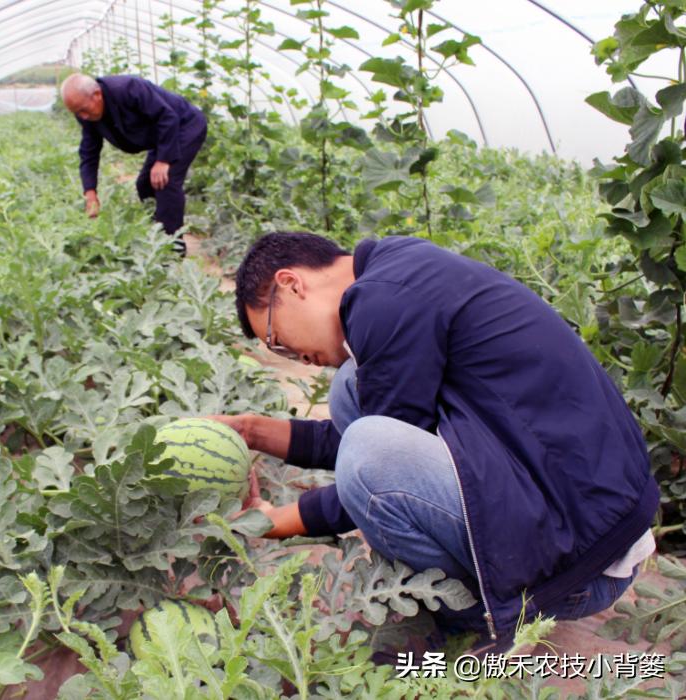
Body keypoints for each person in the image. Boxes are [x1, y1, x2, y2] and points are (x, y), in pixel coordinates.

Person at [213, 231, 659, 653]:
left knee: (368, 452)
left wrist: (275, 520)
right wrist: (251, 431)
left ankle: (470, 618)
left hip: (582, 565)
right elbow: (383, 426)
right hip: (579, 521)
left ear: (291, 284)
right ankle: (481, 592)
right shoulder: (396, 273)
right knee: (352, 388)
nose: (294, 357)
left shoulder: (383, 301)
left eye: (277, 340)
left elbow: (375, 464)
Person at [60, 73, 207, 256]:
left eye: (83, 110)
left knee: (165, 182)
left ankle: (172, 249)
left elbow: (167, 117)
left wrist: (163, 160)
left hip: (184, 126)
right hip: (160, 135)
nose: (83, 116)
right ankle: (156, 233)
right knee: (144, 185)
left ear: (97, 95)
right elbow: (89, 151)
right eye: (77, 113)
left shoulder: (127, 88)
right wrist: (90, 192)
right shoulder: (87, 114)